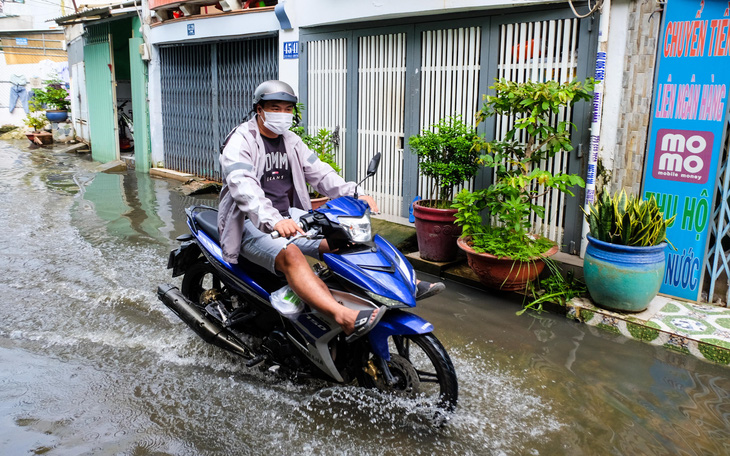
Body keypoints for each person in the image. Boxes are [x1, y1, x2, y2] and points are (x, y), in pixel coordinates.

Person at [218, 80, 442, 341]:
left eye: (287, 109)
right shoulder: (241, 140)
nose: (282, 114)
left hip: (289, 219)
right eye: (274, 107)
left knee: (347, 238)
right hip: (250, 223)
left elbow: (321, 173)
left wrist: (354, 193)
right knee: (292, 255)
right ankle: (342, 316)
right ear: (259, 110)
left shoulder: (291, 141)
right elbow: (242, 184)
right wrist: (273, 220)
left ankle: (402, 284)